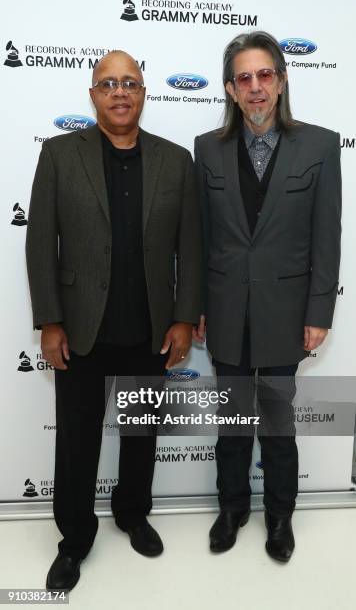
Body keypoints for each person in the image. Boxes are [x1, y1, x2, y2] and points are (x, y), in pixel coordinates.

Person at [26, 50, 201, 591]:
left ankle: (131, 513)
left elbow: (189, 249)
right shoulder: (58, 155)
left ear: (144, 93)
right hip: (80, 330)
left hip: (150, 329)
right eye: (108, 83)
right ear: (93, 95)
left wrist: (183, 318)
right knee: (76, 441)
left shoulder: (176, 161)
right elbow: (40, 243)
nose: (120, 91)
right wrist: (50, 321)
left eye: (130, 82)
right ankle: (74, 539)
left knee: (141, 433)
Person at [194, 31, 341, 562]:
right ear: (231, 89)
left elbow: (328, 236)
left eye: (265, 75)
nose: (255, 87)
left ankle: (280, 516)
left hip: (285, 316)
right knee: (232, 423)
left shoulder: (321, 145)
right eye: (243, 78)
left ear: (281, 81)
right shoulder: (207, 149)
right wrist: (197, 308)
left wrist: (319, 311)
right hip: (227, 312)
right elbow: (202, 239)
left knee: (277, 425)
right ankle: (231, 507)